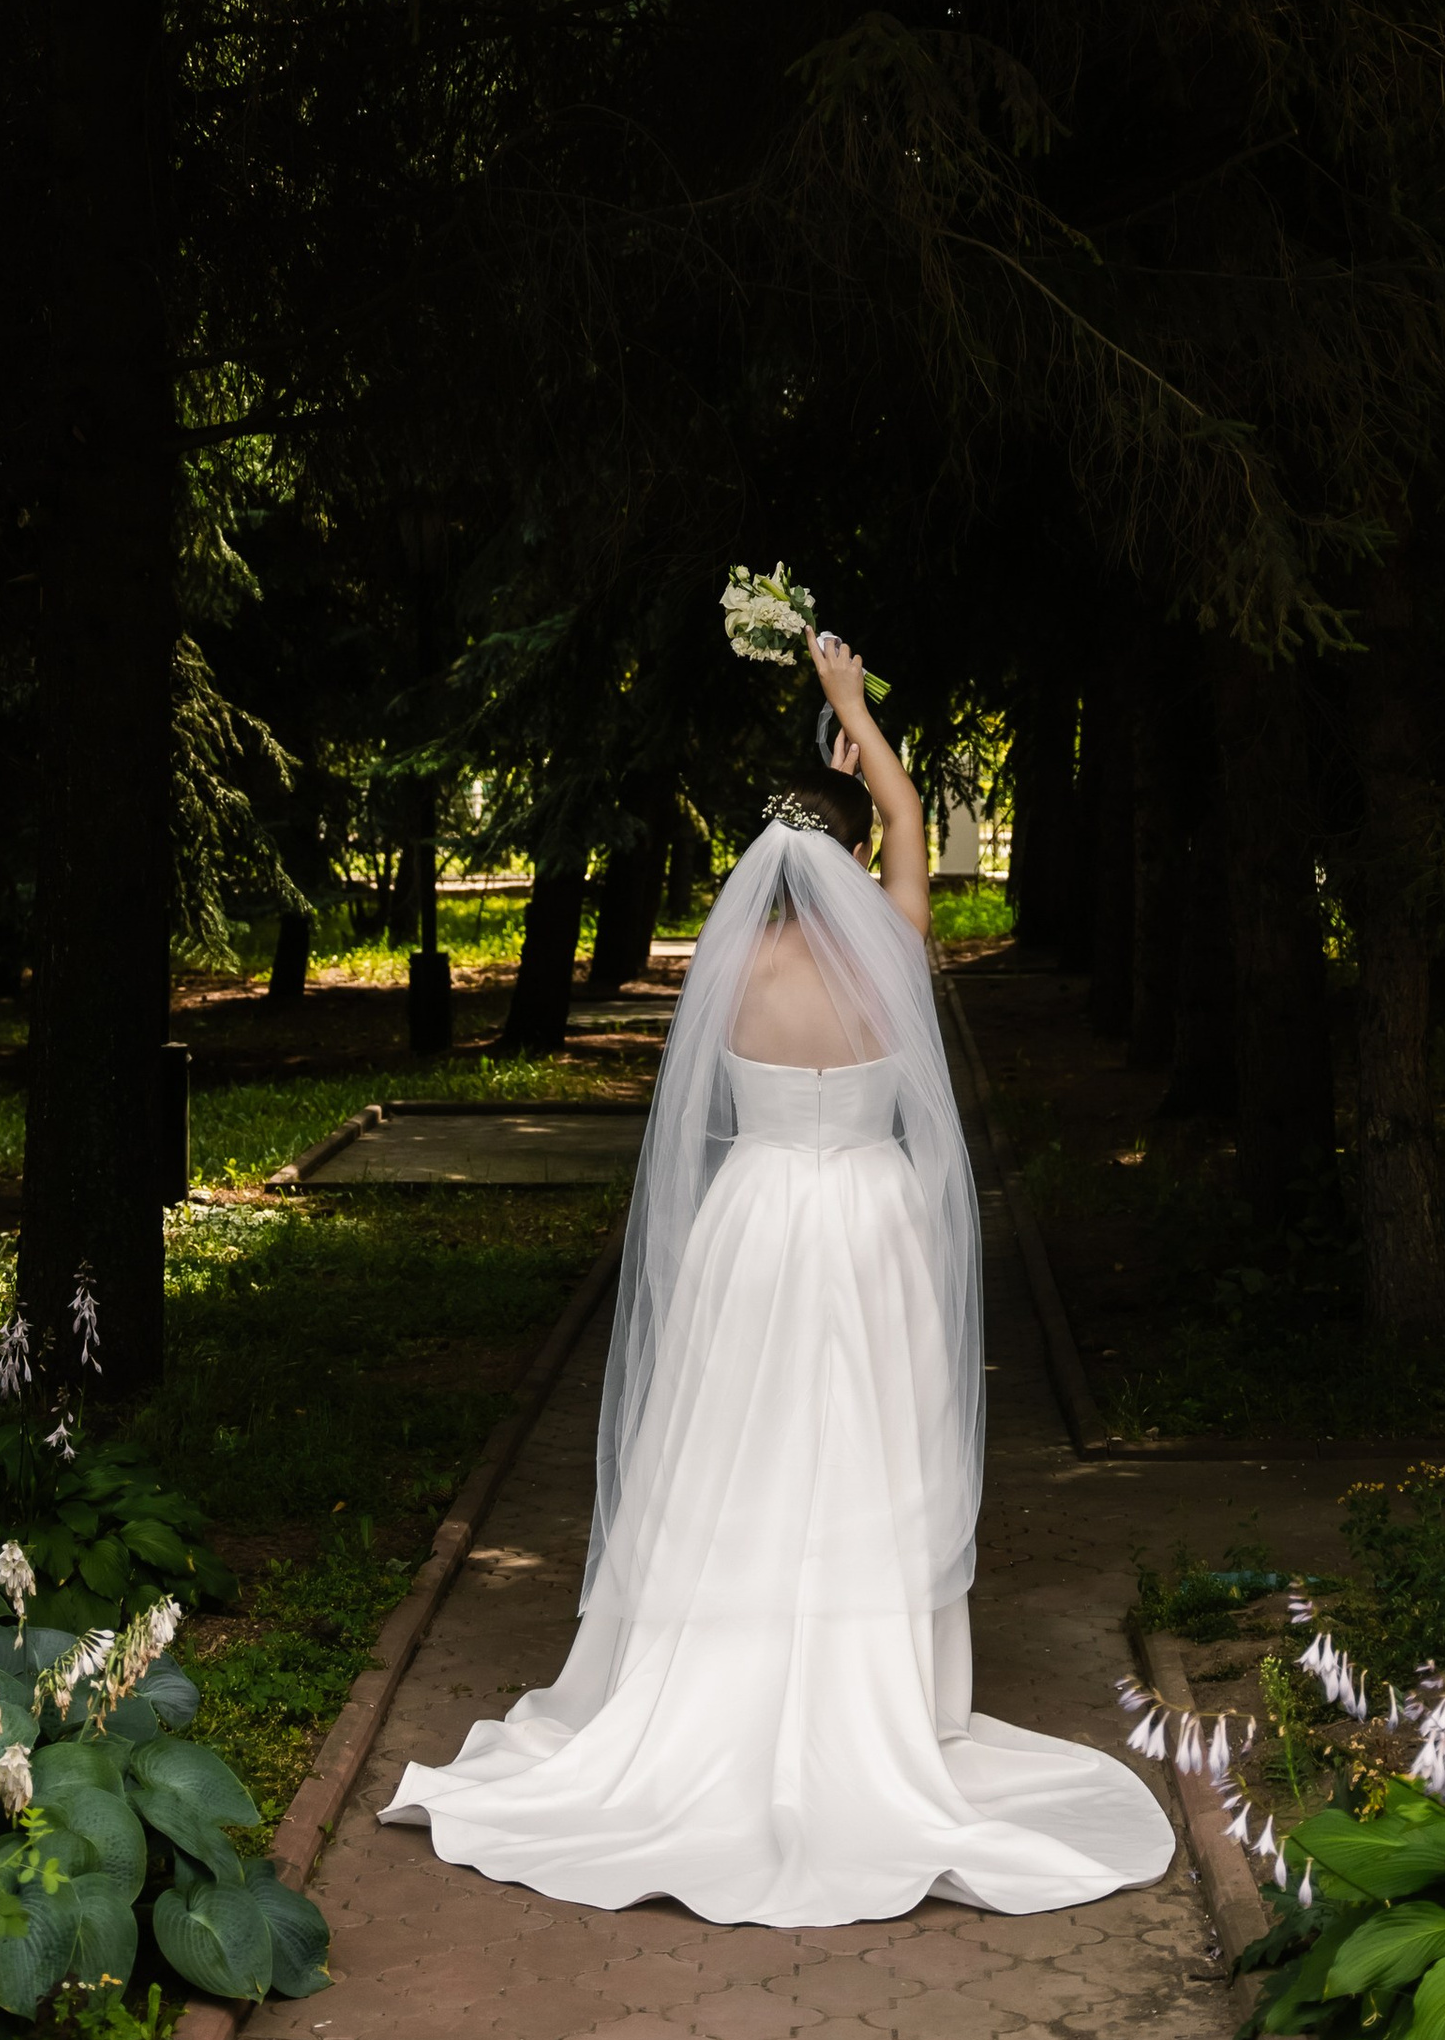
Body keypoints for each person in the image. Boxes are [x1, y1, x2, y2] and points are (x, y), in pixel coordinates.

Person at [381, 628, 1174, 1926]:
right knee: (867, 1449)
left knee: (732, 1449)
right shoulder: (898, 955)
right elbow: (910, 810)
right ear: (855, 857)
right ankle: (890, 1708)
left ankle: (701, 1687)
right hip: (867, 1226)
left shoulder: (729, 970)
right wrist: (851, 706)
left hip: (753, 1225)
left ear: (760, 865)